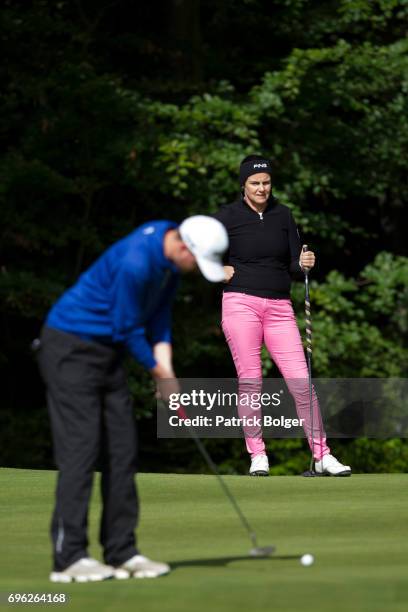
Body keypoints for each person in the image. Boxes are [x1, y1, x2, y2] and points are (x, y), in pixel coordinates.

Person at [35, 215, 228, 583]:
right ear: (184, 247)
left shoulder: (169, 262)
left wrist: (167, 370)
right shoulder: (136, 262)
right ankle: (69, 558)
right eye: (196, 262)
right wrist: (159, 373)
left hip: (106, 355)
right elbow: (128, 327)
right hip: (70, 348)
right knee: (82, 450)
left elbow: (160, 318)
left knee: (122, 452)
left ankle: (122, 551)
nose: (194, 270)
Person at [213, 155, 351, 477]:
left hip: (279, 308)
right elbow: (196, 247)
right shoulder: (227, 217)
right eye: (255, 183)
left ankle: (321, 455)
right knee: (251, 381)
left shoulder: (283, 215)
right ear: (243, 185)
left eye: (266, 182)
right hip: (240, 303)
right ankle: (257, 456)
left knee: (301, 383)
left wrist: (303, 263)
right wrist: (215, 268)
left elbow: (292, 264)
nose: (261, 188)